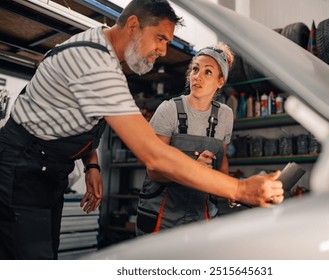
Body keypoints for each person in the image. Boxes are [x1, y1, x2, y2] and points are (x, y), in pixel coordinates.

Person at [0, 0, 283, 260]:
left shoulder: (105, 55)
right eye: (160, 38)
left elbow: (75, 117)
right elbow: (154, 156)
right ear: (133, 25)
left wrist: (92, 165)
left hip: (48, 172)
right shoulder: (94, 61)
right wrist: (239, 188)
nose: (163, 50)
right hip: (22, 168)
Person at [136, 43, 239, 235]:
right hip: (163, 213)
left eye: (208, 72)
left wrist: (231, 190)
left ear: (220, 81)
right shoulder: (169, 109)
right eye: (195, 69)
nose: (197, 76)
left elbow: (222, 159)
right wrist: (195, 168)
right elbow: (154, 170)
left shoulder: (225, 115)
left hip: (202, 214)